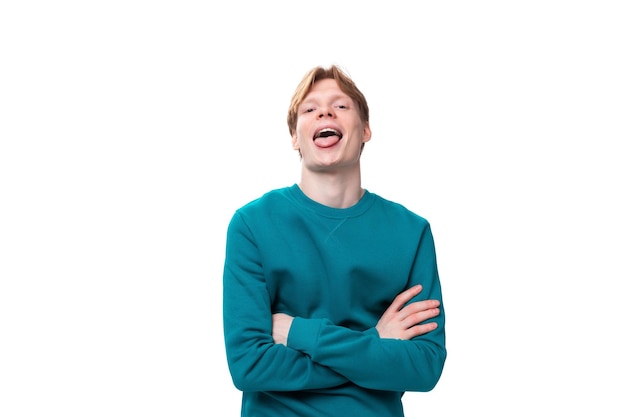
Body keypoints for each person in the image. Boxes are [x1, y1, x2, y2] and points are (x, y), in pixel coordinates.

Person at [222, 65, 446, 417]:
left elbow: (424, 366)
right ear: (296, 137)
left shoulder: (411, 231)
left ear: (366, 130)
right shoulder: (251, 225)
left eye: (341, 106)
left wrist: (299, 332)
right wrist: (374, 345)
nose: (324, 112)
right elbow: (249, 365)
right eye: (309, 109)